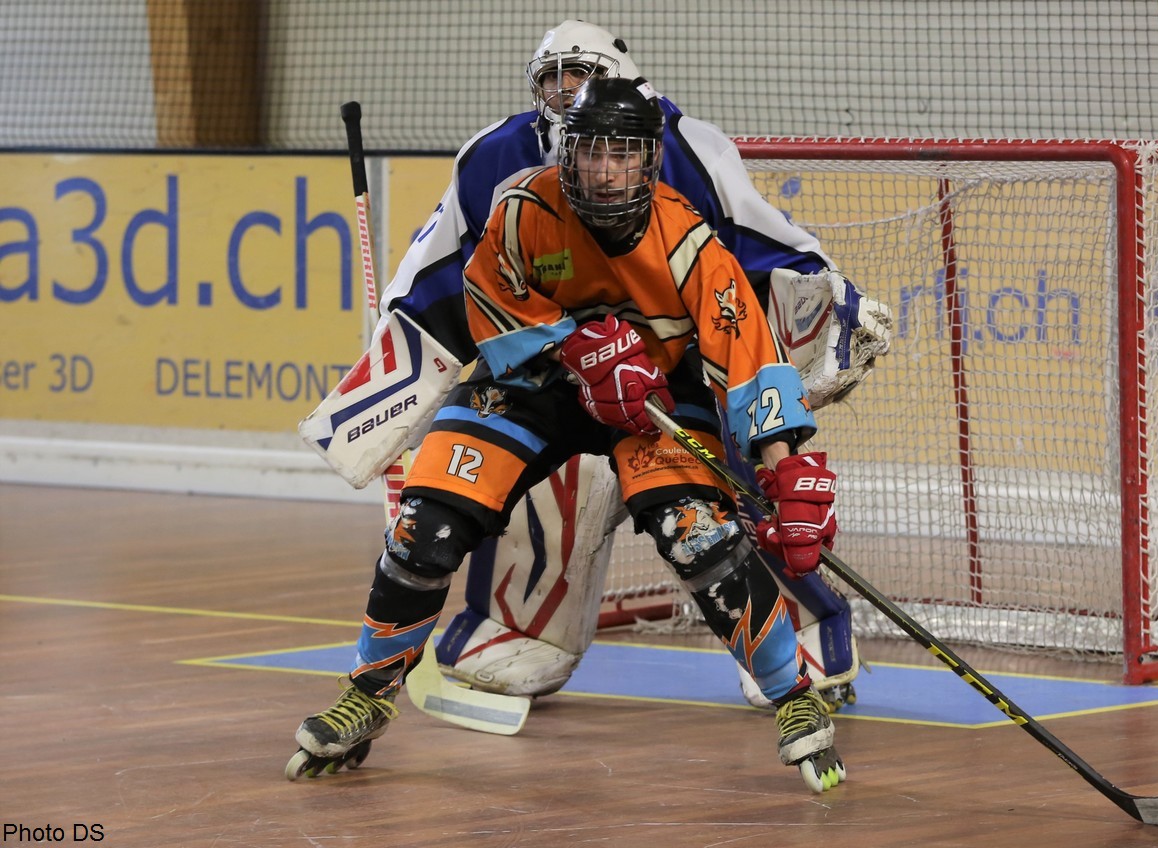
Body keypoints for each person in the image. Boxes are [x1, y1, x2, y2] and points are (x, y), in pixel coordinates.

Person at [289, 76, 848, 793]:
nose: (607, 171)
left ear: (649, 161)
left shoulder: (689, 242)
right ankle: (366, 693)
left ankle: (794, 697)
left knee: (699, 536)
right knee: (426, 525)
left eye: (624, 154)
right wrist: (571, 345)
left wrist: (785, 470)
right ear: (567, 150)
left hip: (654, 399)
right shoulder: (523, 208)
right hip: (537, 383)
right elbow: (489, 298)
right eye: (591, 152)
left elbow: (750, 364)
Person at [374, 20, 878, 709]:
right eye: (550, 78)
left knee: (725, 506)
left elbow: (757, 254)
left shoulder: (689, 150)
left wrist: (823, 312)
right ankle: (522, 627)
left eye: (577, 74)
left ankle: (799, 638)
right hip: (556, 370)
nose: (562, 91)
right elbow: (449, 273)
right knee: (508, 482)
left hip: (681, 373)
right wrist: (398, 355)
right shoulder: (497, 157)